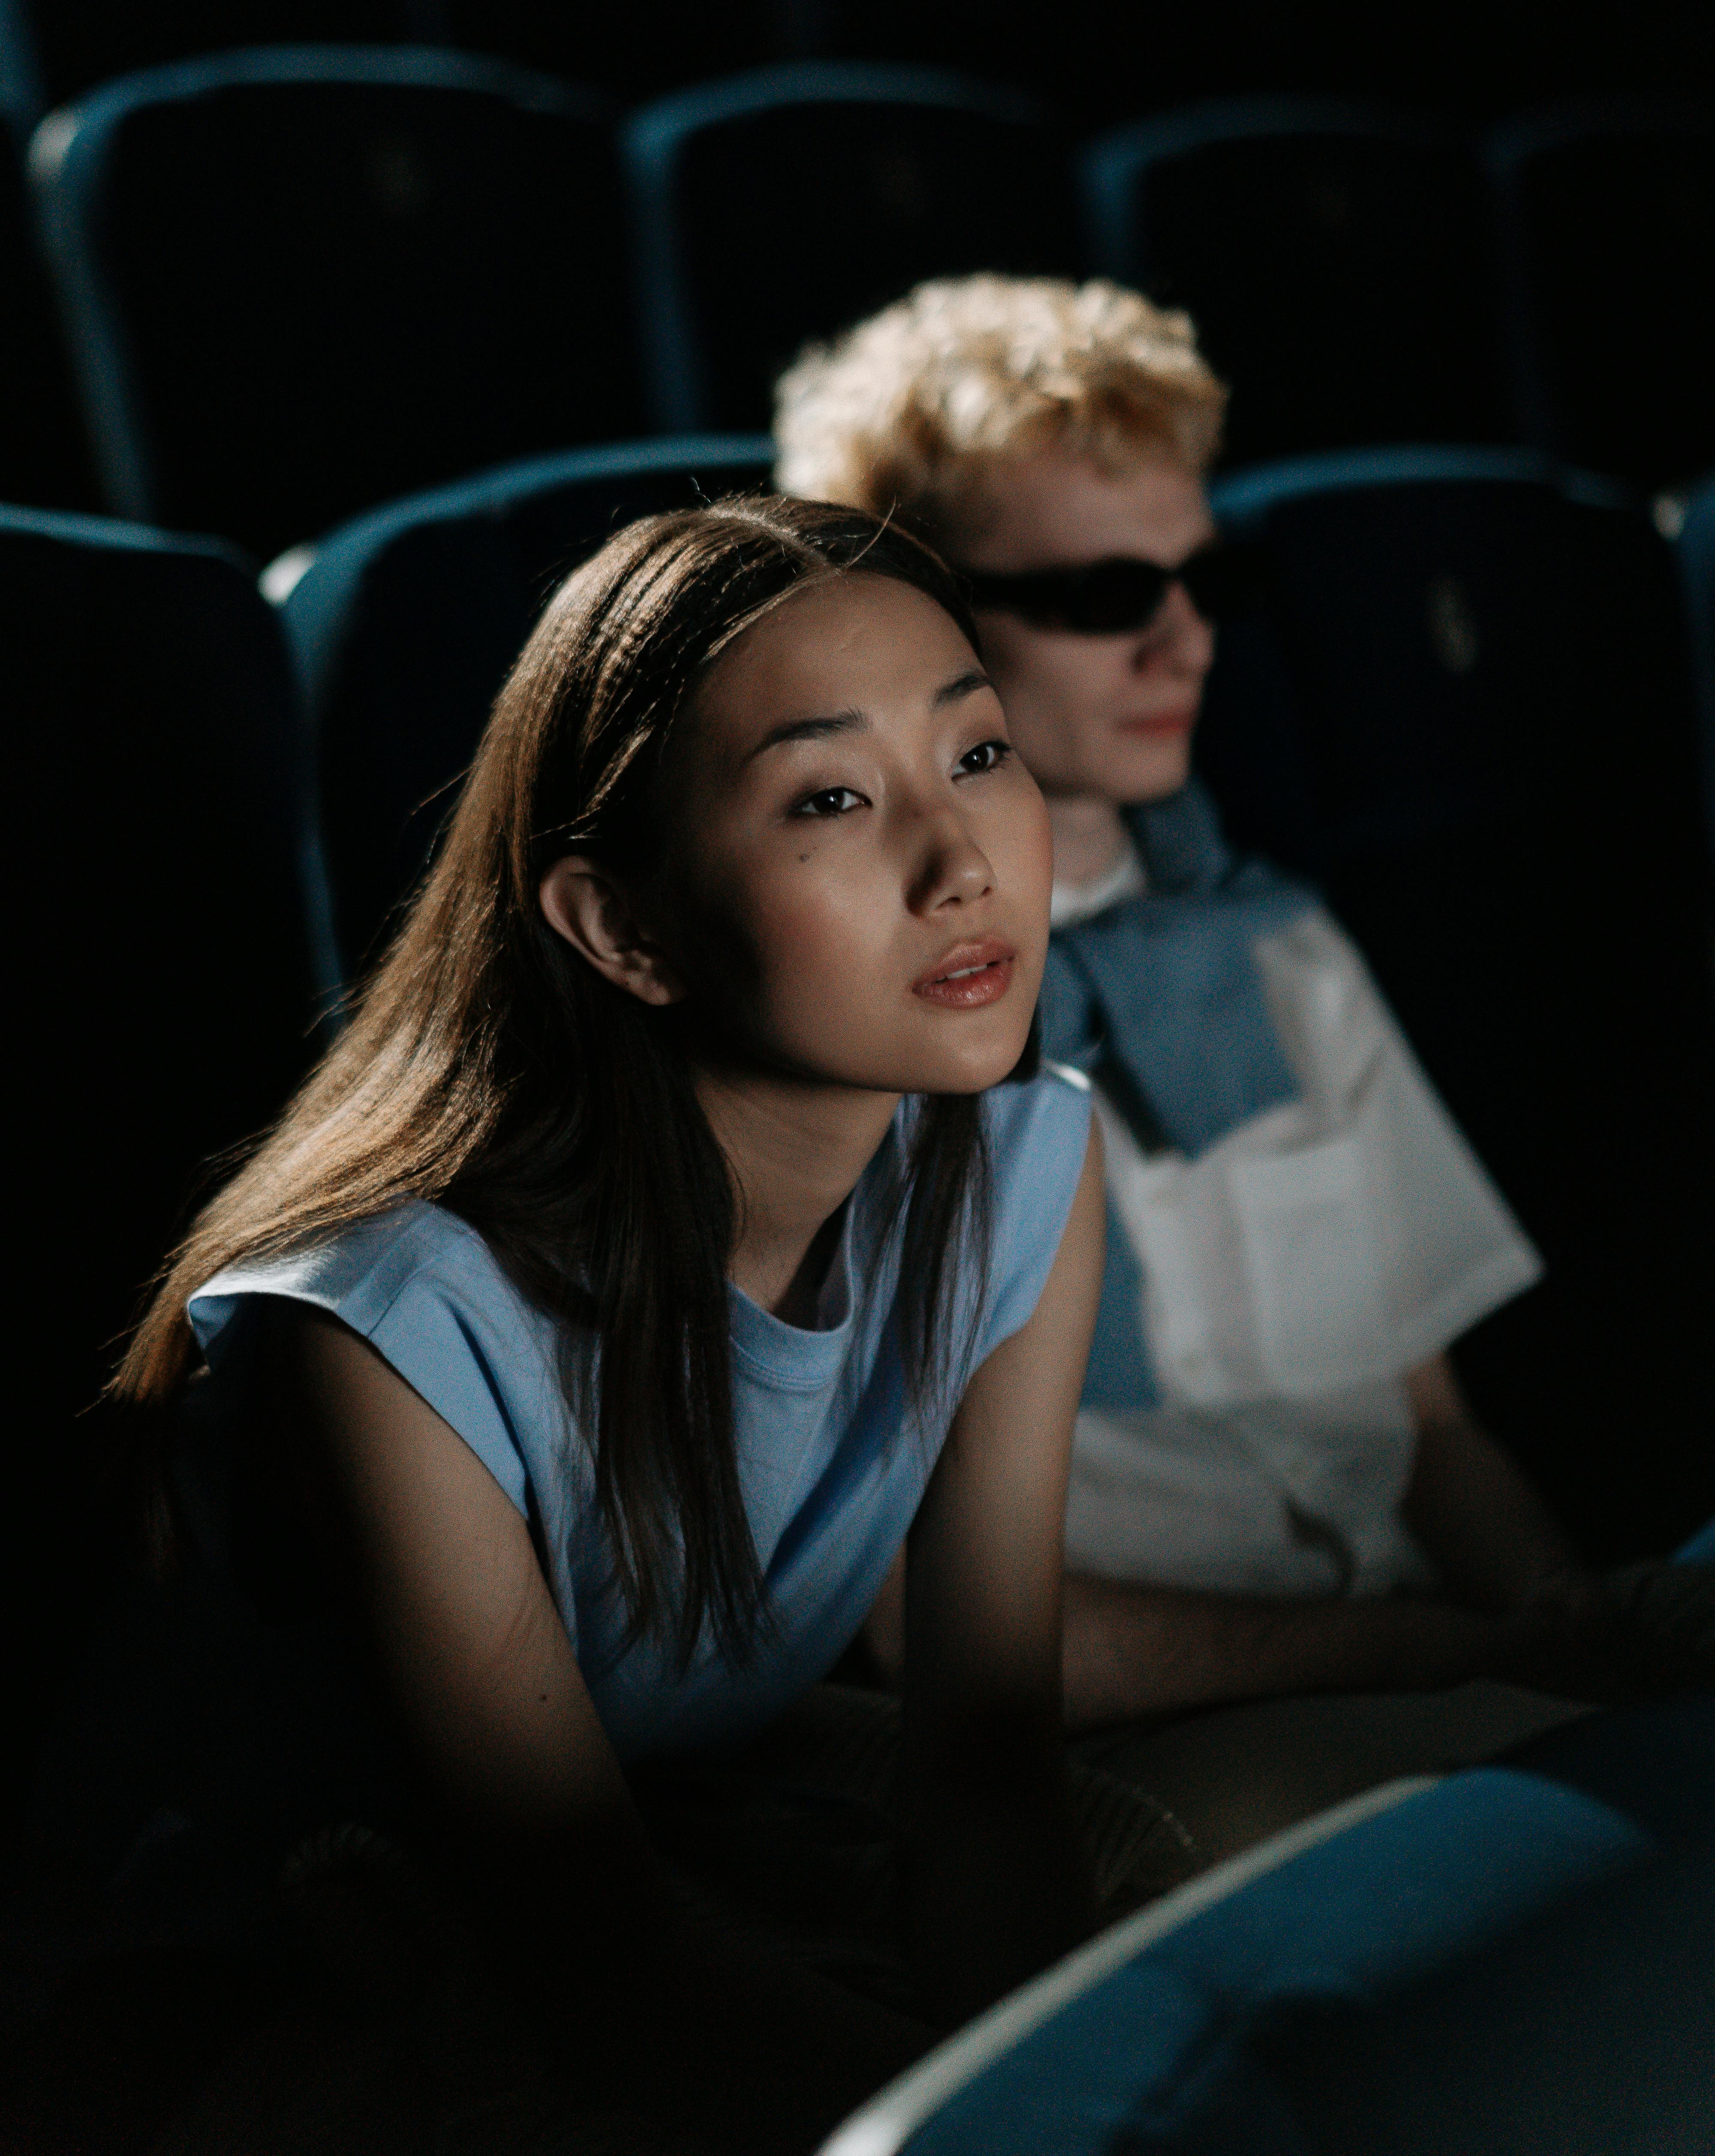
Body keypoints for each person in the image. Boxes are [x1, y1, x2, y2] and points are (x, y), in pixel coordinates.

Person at [43, 500, 1115, 2156]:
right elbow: (591, 1952)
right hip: (257, 2000)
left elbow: (983, 1777)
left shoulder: (1028, 1159)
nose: (962, 860)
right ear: (624, 929)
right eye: (832, 796)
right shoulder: (399, 1317)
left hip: (659, 1906)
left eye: (978, 754)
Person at [776, 275, 1714, 1857]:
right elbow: (928, 1632)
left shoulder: (1284, 946)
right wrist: (1473, 1661)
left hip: (1434, 1668)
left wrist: (1569, 1634)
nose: (1183, 640)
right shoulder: (833, 1032)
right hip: (1139, 1745)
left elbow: (1432, 1436)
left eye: (1210, 577)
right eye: (1101, 595)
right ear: (919, 618)